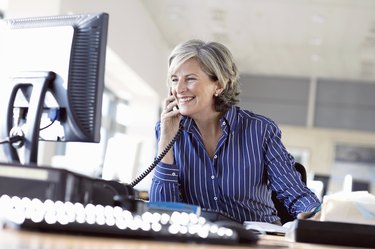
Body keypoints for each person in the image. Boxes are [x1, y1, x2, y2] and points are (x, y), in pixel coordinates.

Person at [149, 39, 321, 224]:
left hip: (257, 240)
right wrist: (166, 139)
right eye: (174, 80)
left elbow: (293, 190)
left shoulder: (260, 130)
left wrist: (314, 212)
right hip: (201, 240)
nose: (179, 89)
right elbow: (162, 212)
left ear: (219, 85)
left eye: (190, 79)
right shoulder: (169, 131)